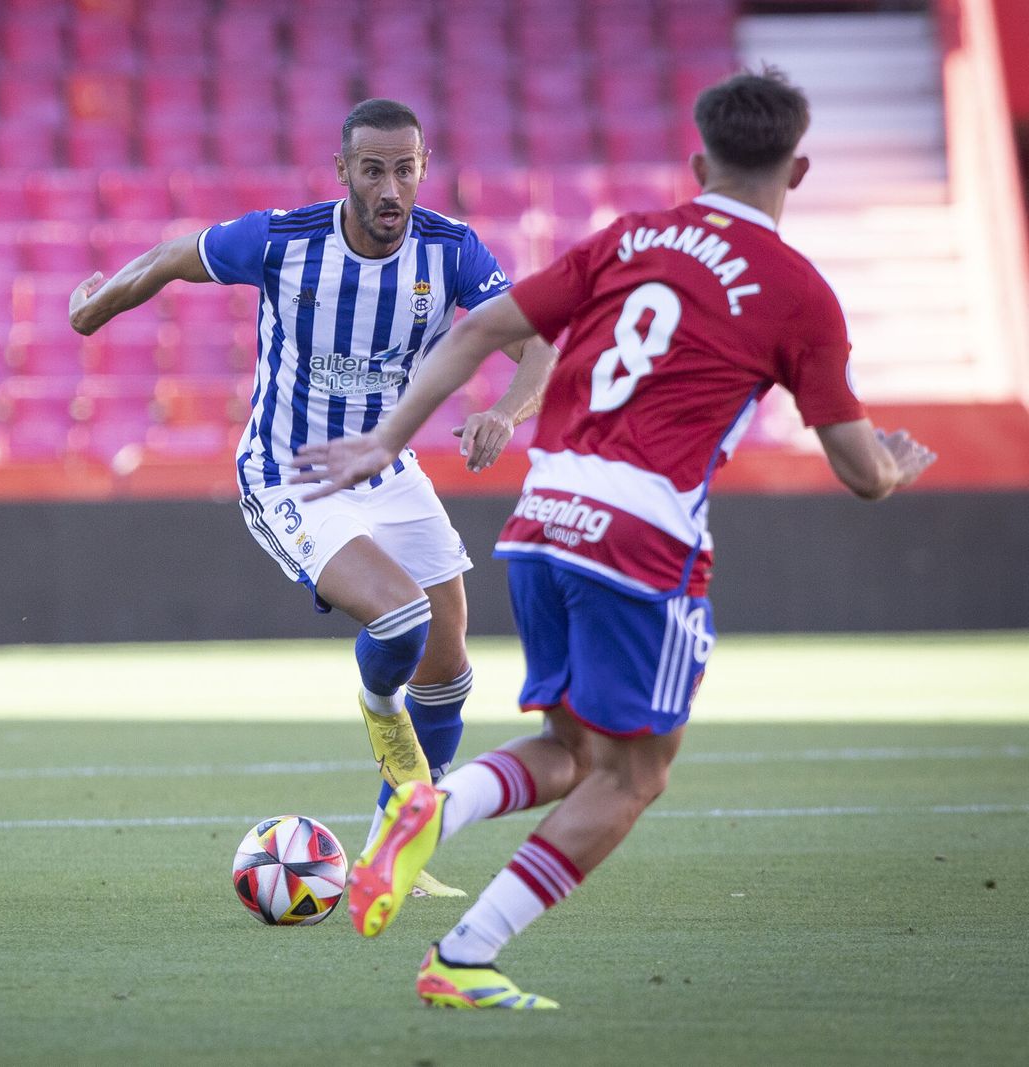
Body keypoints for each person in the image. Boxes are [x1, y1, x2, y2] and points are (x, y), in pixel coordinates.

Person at [293, 67, 937, 1008]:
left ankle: (435, 802)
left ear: (696, 160)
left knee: (572, 752)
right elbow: (857, 470)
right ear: (797, 171)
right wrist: (894, 462)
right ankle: (465, 954)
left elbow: (479, 331)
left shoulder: (630, 238)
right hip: (639, 539)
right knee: (635, 773)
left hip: (541, 520)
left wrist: (384, 442)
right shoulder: (798, 290)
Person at [70, 99, 558, 895]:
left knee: (450, 668)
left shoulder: (452, 251)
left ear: (423, 168)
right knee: (401, 617)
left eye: (406, 168)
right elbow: (171, 256)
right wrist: (93, 308)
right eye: (374, 170)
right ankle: (377, 704)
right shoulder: (283, 239)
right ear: (344, 173)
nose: (391, 187)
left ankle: (386, 856)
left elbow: (539, 339)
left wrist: (504, 412)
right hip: (290, 471)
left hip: (388, 472)